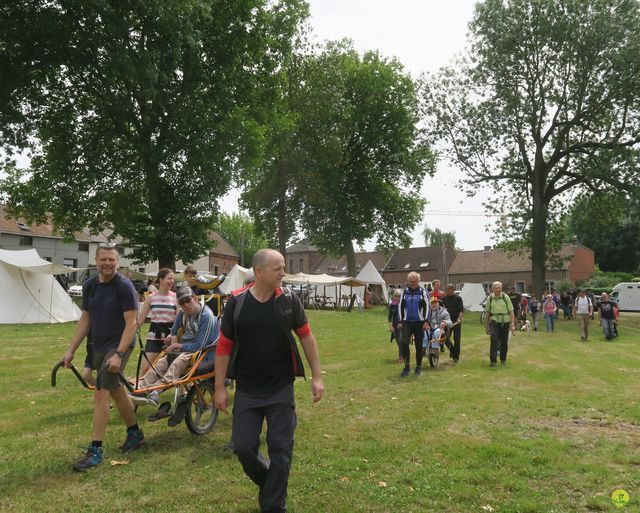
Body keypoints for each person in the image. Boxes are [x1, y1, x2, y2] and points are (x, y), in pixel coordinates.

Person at [214, 249, 324, 513]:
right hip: (248, 390)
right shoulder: (237, 303)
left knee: (281, 447)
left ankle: (273, 505)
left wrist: (317, 376)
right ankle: (270, 483)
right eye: (278, 268)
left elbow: (306, 337)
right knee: (243, 447)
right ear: (259, 272)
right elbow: (224, 347)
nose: (283, 273)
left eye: (283, 267)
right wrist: (219, 388)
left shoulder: (289, 300)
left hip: (280, 388)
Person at [61, 244, 142, 471]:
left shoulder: (124, 286)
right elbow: (85, 319)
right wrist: (71, 350)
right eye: (104, 259)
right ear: (96, 261)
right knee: (116, 390)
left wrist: (118, 354)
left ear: (117, 261)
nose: (108, 263)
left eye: (112, 259)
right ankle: (135, 433)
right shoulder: (89, 286)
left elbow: (132, 324)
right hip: (99, 344)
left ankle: (95, 450)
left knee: (101, 394)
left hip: (119, 345)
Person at [134, 286, 219, 424]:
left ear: (195, 298)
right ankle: (141, 388)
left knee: (177, 362)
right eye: (181, 302)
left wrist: (177, 346)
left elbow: (201, 345)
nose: (185, 305)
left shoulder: (206, 316)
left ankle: (156, 391)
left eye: (187, 300)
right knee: (162, 362)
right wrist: (172, 342)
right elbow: (173, 331)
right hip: (183, 348)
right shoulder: (182, 313)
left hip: (200, 352)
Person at [136, 268, 177, 377]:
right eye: (169, 278)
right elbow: (141, 319)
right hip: (154, 337)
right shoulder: (150, 298)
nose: (172, 281)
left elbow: (178, 320)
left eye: (173, 279)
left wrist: (173, 335)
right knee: (145, 368)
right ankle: (140, 390)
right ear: (161, 279)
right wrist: (131, 332)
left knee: (174, 366)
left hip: (171, 337)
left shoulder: (175, 297)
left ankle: (183, 392)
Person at [397, 272, 431, 376]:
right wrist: (400, 321)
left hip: (419, 323)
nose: (412, 284)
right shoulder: (404, 291)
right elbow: (400, 306)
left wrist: (426, 321)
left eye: (414, 282)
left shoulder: (423, 291)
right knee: (404, 342)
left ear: (418, 281)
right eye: (411, 282)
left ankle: (418, 367)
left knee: (418, 345)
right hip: (407, 322)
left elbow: (428, 307)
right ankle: (406, 367)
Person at [484, 281, 516, 367]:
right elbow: (487, 313)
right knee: (494, 340)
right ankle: (493, 361)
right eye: (496, 288)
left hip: (505, 322)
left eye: (499, 288)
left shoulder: (506, 297)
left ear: (501, 288)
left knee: (504, 342)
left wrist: (512, 324)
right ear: (492, 289)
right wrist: (486, 326)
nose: (498, 290)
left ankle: (503, 359)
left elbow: (511, 311)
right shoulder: (490, 298)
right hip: (494, 322)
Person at [442, 284, 464, 362]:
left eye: (451, 289)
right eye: (448, 289)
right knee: (446, 339)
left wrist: (459, 319)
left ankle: (456, 357)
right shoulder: (444, 299)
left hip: (456, 322)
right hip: (448, 321)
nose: (450, 290)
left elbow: (461, 310)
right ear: (446, 290)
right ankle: (453, 351)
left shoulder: (458, 298)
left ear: (453, 290)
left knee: (457, 339)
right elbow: (441, 310)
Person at [388, 289, 403, 362]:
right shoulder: (392, 305)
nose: (397, 298)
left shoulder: (404, 304)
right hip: (395, 325)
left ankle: (401, 356)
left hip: (404, 325)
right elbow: (390, 317)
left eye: (399, 297)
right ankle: (402, 354)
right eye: (396, 296)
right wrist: (390, 326)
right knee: (398, 340)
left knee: (401, 340)